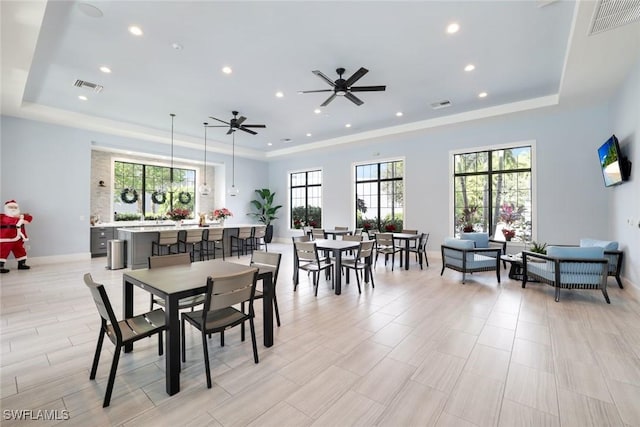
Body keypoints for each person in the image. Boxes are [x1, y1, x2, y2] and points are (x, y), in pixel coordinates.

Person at [0, 200, 33, 273]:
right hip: (6, 239)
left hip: (18, 238)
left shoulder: (20, 217)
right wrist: (19, 219)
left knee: (20, 251)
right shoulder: (2, 217)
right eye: (11, 207)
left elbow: (29, 218)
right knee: (3, 252)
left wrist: (21, 216)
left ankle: (21, 264)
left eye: (15, 207)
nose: (13, 209)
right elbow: (9, 220)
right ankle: (0, 266)